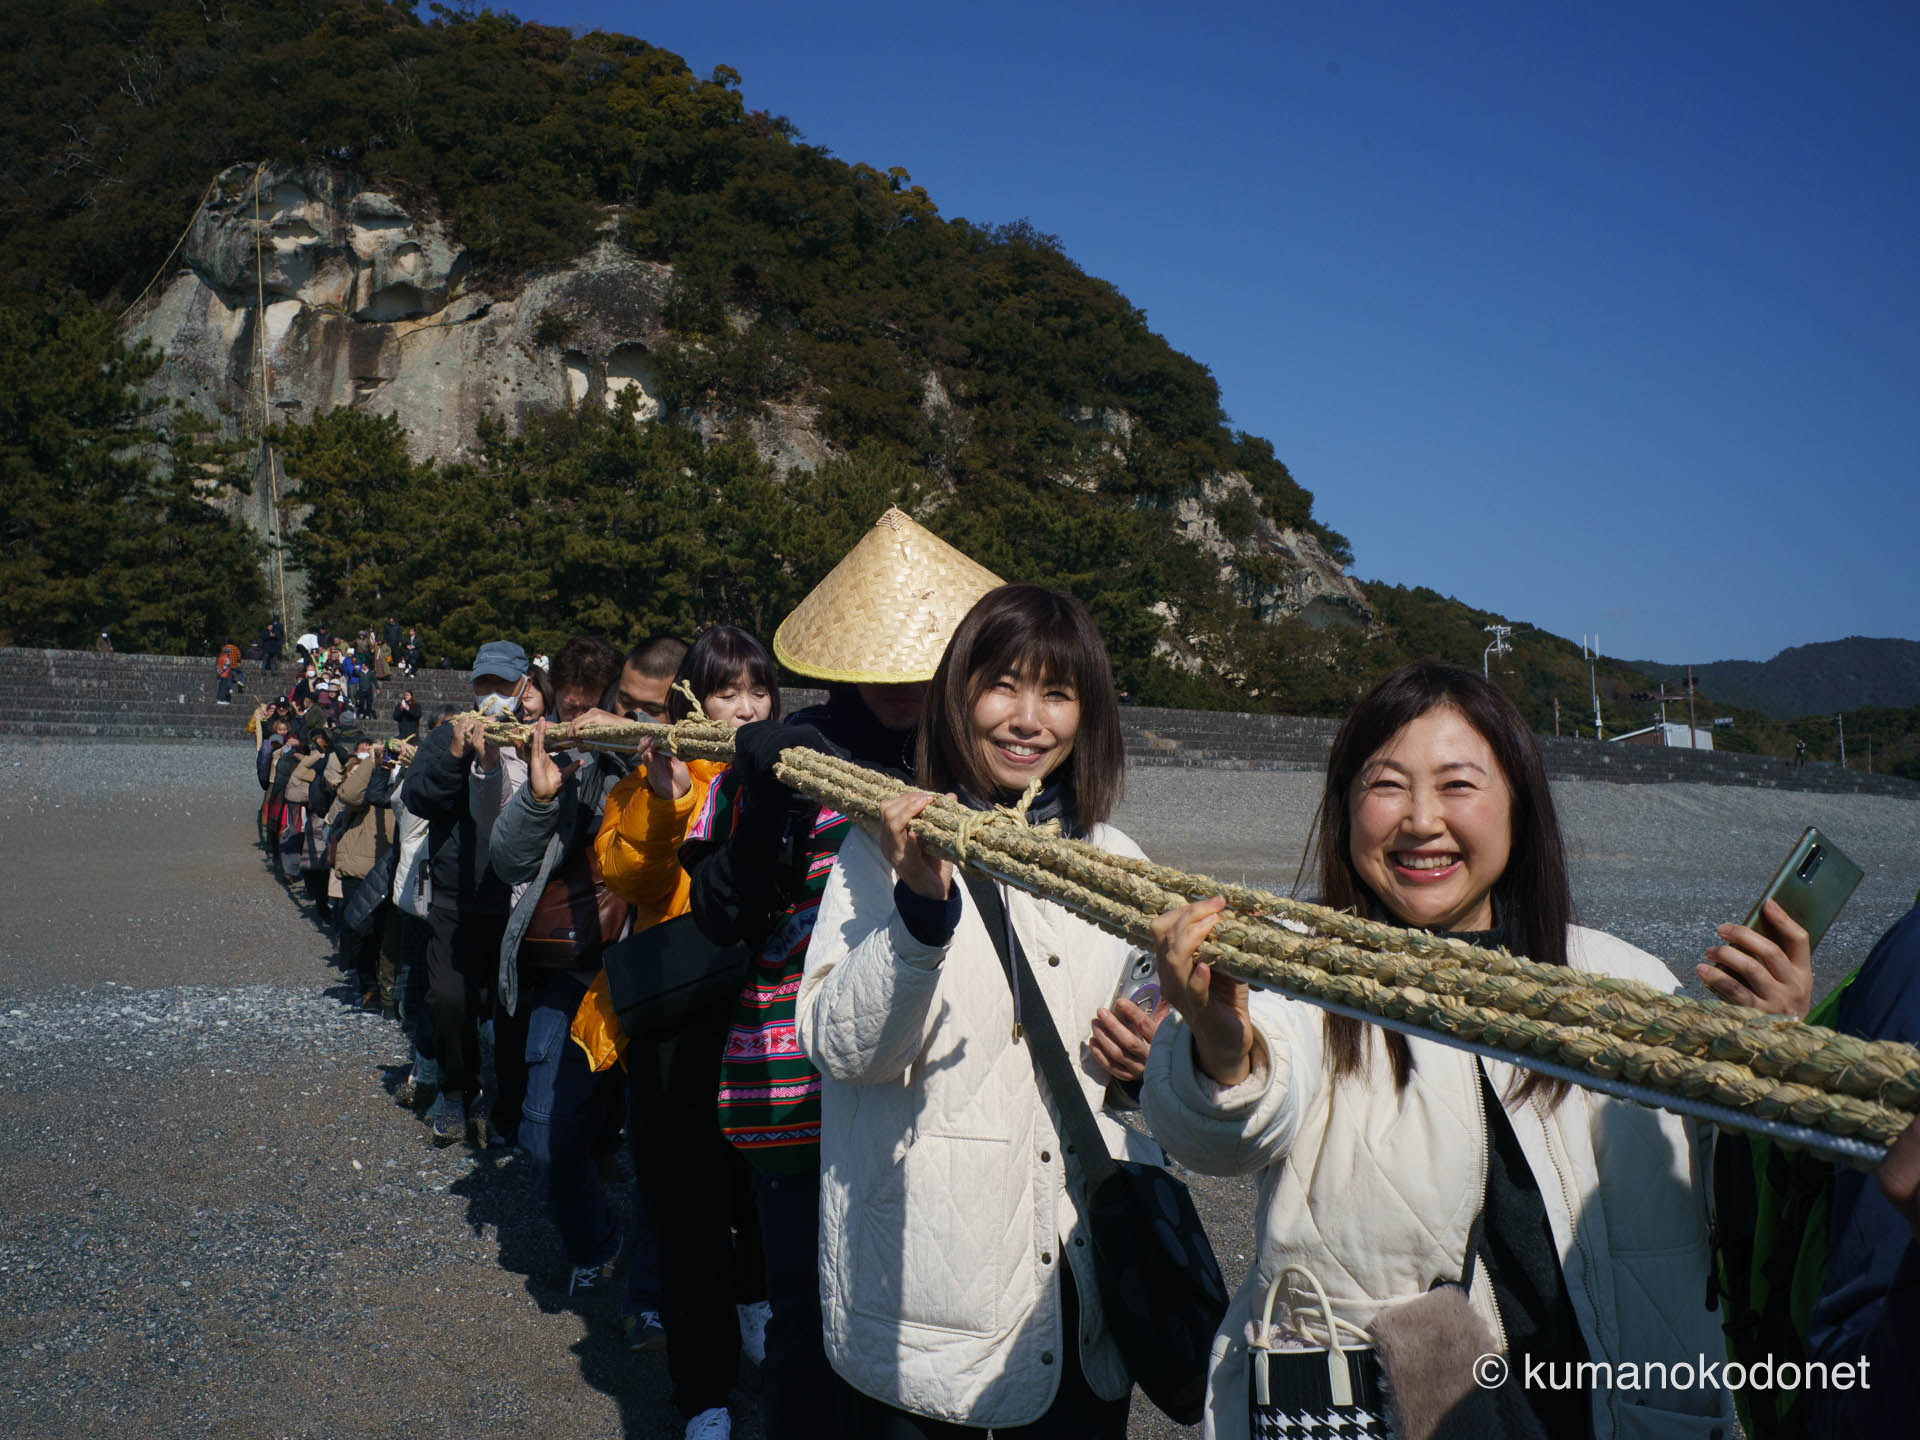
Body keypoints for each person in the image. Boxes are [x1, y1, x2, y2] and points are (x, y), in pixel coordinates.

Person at [1141, 662, 1731, 1440]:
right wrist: (1221, 1044)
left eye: (1458, 786)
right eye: (1387, 785)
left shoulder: (1625, 982)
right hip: (1376, 1409)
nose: (1421, 821)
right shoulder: (1293, 969)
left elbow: (1733, 1204)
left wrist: (1775, 1046)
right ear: (1345, 808)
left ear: (1519, 805)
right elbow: (1222, 1132)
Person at [797, 584, 1154, 1437]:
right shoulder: (882, 840)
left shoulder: (1118, 862)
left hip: (1076, 1275)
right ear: (958, 694)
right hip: (928, 1277)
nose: (1029, 719)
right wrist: (920, 914)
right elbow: (839, 1049)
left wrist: (1154, 1058)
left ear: (1089, 714)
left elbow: (1144, 1062)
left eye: (1058, 694)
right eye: (1004, 685)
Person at [684, 509, 1005, 1440]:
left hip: (943, 1080)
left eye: (920, 662)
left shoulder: (980, 764)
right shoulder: (788, 750)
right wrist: (758, 809)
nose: (899, 685)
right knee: (809, 1318)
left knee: (930, 1309)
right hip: (795, 1076)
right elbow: (718, 914)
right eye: (877, 661)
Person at [590, 626, 775, 1435]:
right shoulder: (652, 774)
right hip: (677, 1016)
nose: (744, 708)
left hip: (772, 1012)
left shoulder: (792, 772)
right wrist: (667, 802)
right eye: (726, 690)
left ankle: (757, 1300)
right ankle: (702, 1394)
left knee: (768, 1190)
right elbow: (633, 877)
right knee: (688, 1207)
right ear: (693, 699)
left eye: (758, 689)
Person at [406, 641, 534, 1147]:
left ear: (524, 686)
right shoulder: (446, 735)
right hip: (454, 898)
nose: (494, 695)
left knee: (511, 1008)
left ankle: (509, 1108)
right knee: (449, 1000)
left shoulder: (534, 737)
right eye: (485, 685)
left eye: (504, 685)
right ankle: (456, 1093)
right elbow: (418, 797)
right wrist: (458, 755)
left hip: (514, 899)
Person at [330, 729, 395, 1008]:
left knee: (387, 931)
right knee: (362, 928)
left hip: (393, 861)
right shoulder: (362, 770)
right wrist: (373, 762)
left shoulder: (405, 776)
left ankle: (385, 987)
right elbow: (349, 795)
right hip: (361, 863)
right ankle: (368, 983)